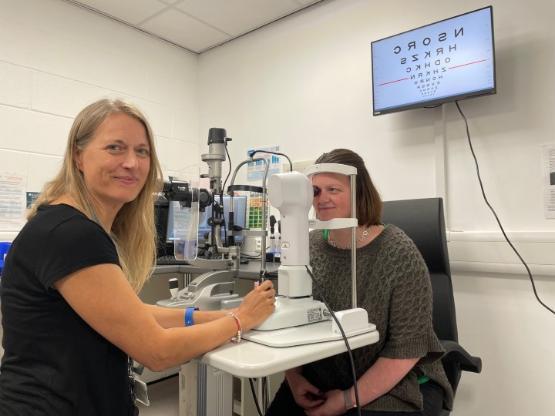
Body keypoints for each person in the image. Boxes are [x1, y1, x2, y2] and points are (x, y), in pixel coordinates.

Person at [0, 98, 275, 416]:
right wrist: (241, 321)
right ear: (78, 156)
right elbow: (156, 350)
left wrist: (214, 317)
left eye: (141, 151)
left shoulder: (69, 224)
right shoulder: (72, 234)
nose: (131, 162)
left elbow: (132, 316)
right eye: (115, 148)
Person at [267, 149, 453, 416]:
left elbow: (407, 348)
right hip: (318, 380)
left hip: (390, 385)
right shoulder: (310, 246)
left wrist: (345, 400)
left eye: (334, 188)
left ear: (359, 192)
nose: (323, 199)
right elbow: (295, 324)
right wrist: (294, 380)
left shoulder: (397, 252)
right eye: (316, 191)